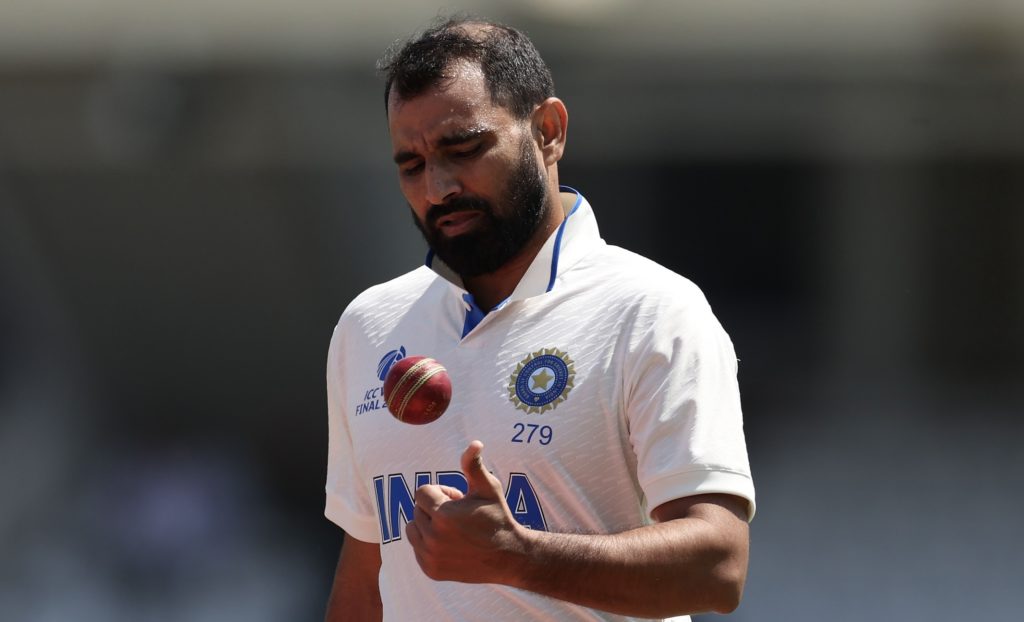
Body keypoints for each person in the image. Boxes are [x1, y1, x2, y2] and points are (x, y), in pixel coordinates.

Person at [324, 17, 755, 622]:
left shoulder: (652, 310)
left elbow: (717, 568)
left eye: (464, 148)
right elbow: (368, 574)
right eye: (411, 164)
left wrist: (517, 556)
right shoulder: (369, 326)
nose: (438, 186)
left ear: (548, 131)